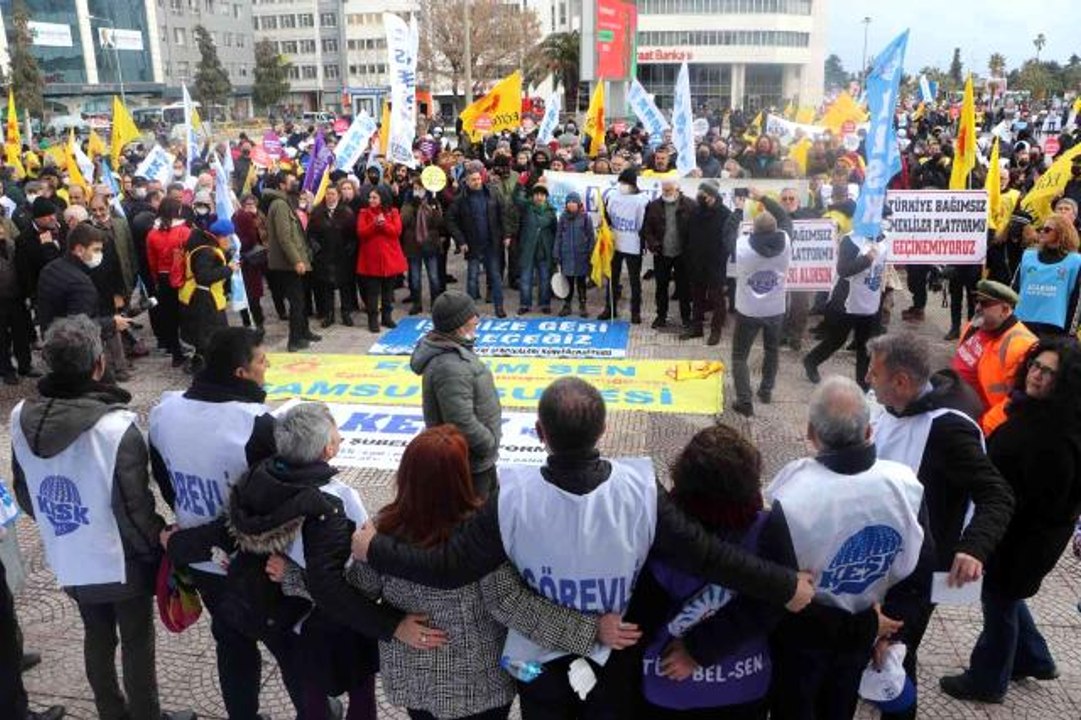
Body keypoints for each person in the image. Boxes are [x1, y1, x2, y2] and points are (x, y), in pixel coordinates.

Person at [352, 377, 815, 719]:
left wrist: (375, 550)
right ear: (604, 429)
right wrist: (784, 586)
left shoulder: (511, 495)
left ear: (539, 432)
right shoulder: (640, 489)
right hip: (616, 657)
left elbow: (450, 567)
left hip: (535, 665)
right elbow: (708, 557)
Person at [347, 425, 637, 720]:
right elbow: (512, 605)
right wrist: (591, 631)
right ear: (463, 476)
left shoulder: (380, 532)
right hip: (480, 685)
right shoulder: (483, 530)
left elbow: (355, 594)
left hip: (416, 682)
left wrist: (393, 625)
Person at [11, 315, 192, 720]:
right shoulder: (115, 428)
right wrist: (157, 544)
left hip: (69, 551)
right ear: (99, 363)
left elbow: (25, 492)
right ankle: (146, 715)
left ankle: (110, 711)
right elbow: (135, 508)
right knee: (137, 640)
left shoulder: (21, 417)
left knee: (96, 634)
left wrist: (61, 525)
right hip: (119, 558)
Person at [150, 326, 307, 719]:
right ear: (241, 373)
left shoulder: (164, 411)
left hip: (199, 555)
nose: (267, 366)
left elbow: (166, 483)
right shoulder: (256, 424)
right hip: (254, 562)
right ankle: (315, 710)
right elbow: (278, 504)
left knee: (231, 640)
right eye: (261, 361)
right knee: (287, 643)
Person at [228, 403, 413, 720]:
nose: (340, 437)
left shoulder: (259, 478)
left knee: (310, 692)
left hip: (287, 612)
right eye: (336, 432)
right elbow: (359, 562)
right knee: (360, 692)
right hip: (339, 615)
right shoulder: (337, 498)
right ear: (327, 448)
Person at [866, 332, 1015, 720]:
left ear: (901, 381)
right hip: (879, 553)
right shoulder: (892, 406)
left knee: (895, 654)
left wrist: (974, 546)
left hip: (918, 568)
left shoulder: (948, 429)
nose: (867, 379)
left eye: (874, 373)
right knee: (872, 646)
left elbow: (996, 493)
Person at [766, 376, 932, 720]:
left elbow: (773, 586)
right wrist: (889, 630)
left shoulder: (789, 494)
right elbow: (920, 572)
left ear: (811, 433)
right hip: (866, 633)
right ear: (869, 430)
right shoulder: (905, 485)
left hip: (802, 643)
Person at [940, 339, 1081, 703]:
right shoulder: (1040, 412)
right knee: (1008, 596)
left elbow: (1041, 498)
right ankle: (1034, 657)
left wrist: (988, 532)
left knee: (999, 599)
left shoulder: (1053, 434)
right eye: (1036, 366)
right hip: (1022, 532)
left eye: (1049, 373)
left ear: (1065, 382)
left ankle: (987, 680)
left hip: (1022, 538)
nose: (1037, 375)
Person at [627, 424, 797, 719]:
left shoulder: (658, 534)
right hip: (742, 684)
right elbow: (774, 604)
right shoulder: (768, 528)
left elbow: (638, 619)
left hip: (667, 685)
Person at [410, 290, 501, 498]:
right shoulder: (450, 366)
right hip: (469, 465)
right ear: (459, 325)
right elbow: (460, 421)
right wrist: (488, 443)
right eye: (472, 316)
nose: (477, 320)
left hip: (473, 461)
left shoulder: (455, 351)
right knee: (475, 515)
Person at [803, 219, 889, 390]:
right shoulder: (851, 240)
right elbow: (843, 270)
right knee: (836, 339)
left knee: (866, 346)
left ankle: (863, 387)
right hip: (846, 302)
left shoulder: (885, 238)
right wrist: (866, 260)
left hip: (871, 301)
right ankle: (811, 361)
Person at [951, 280, 1037, 435]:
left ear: (1004, 309)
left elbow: (1015, 401)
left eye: (985, 304)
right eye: (977, 301)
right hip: (957, 408)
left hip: (979, 425)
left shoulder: (1021, 346)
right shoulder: (975, 325)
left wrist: (982, 430)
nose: (977, 307)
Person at [730, 209, 791, 417]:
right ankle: (766, 390)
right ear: (775, 229)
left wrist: (738, 211)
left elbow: (727, 234)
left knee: (739, 356)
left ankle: (744, 400)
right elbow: (785, 218)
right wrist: (765, 200)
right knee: (772, 351)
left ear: (754, 230)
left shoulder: (742, 246)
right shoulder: (786, 241)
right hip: (775, 308)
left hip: (748, 309)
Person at [263, 172, 320, 351]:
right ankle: (295, 340)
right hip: (287, 264)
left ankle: (304, 331)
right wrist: (297, 261)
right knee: (297, 302)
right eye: (291, 181)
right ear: (281, 185)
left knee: (301, 299)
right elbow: (285, 237)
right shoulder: (280, 205)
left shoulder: (286, 201)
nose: (296, 183)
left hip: (293, 261)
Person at [446, 165, 508, 318]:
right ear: (467, 182)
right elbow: (450, 219)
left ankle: (499, 307)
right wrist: (460, 241)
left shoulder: (492, 193)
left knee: (495, 276)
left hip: (491, 243)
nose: (477, 182)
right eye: (473, 180)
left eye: (479, 179)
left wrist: (506, 235)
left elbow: (503, 214)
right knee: (472, 278)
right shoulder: (461, 199)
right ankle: (471, 311)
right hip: (472, 244)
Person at [178, 218, 238, 371]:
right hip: (203, 299)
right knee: (211, 335)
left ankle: (202, 364)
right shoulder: (206, 252)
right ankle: (206, 367)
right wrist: (229, 269)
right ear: (220, 236)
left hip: (204, 297)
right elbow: (203, 276)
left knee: (205, 335)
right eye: (228, 237)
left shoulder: (204, 246)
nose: (230, 241)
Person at [1013, 213, 1081, 337]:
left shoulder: (1076, 261)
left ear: (1061, 232)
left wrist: (1069, 334)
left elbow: (1076, 300)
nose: (1042, 232)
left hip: (1054, 330)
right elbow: (1014, 289)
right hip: (1022, 324)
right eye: (1041, 229)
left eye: (1047, 229)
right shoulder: (1028, 256)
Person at [641, 179, 694, 332]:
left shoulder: (690, 205)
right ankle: (661, 316)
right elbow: (647, 229)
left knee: (684, 288)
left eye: (669, 190)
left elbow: (696, 230)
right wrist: (653, 244)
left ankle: (686, 318)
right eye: (664, 190)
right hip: (662, 253)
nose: (666, 193)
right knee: (661, 287)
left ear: (677, 189)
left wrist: (691, 248)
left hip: (682, 254)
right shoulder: (654, 206)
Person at [145, 197, 192, 366]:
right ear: (177, 211)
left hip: (163, 277)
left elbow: (152, 261)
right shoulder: (184, 231)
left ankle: (176, 354)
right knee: (187, 313)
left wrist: (156, 278)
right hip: (183, 277)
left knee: (170, 316)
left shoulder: (152, 234)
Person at [684, 180, 731, 344]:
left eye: (703, 195)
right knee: (697, 297)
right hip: (697, 262)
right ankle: (696, 328)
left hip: (715, 264)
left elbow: (728, 241)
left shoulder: (725, 214)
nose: (700, 197)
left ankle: (715, 330)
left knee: (717, 299)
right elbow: (689, 234)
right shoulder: (696, 211)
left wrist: (720, 258)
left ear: (712, 196)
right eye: (699, 194)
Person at [600, 168, 649, 323]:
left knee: (634, 280)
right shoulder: (612, 196)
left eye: (625, 183)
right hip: (614, 242)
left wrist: (643, 241)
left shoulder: (642, 200)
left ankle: (635, 312)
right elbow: (606, 215)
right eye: (621, 182)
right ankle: (610, 308)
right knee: (612, 277)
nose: (622, 186)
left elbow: (644, 223)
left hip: (633, 243)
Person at [355, 184, 406, 332]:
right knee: (372, 292)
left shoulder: (393, 212)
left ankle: (386, 317)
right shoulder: (364, 213)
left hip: (390, 258)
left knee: (388, 292)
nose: (371, 200)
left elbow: (397, 231)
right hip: (371, 260)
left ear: (382, 198)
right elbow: (361, 232)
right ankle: (372, 320)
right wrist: (374, 224)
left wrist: (384, 225)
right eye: (370, 197)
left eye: (374, 198)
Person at [308, 183, 358, 328]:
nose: (330, 197)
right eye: (328, 194)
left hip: (342, 257)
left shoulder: (346, 212)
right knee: (326, 287)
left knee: (345, 286)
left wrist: (349, 250)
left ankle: (346, 313)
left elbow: (353, 235)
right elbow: (311, 234)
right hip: (324, 256)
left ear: (338, 195)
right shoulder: (318, 212)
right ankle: (329, 314)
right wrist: (317, 249)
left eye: (333, 194)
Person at [399, 177, 445, 315]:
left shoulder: (432, 202)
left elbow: (438, 222)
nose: (418, 191)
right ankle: (416, 303)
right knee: (415, 277)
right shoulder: (408, 202)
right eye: (415, 188)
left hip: (430, 244)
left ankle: (435, 302)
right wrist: (412, 206)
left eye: (420, 188)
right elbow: (403, 221)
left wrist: (434, 207)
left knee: (434, 277)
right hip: (413, 245)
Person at [0, 221, 37, 385]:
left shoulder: (13, 246)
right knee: (2, 338)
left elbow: (23, 269)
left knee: (21, 334)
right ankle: (6, 370)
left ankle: (25, 365)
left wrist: (27, 293)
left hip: (17, 297)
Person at [513, 179, 557, 314]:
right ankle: (525, 304)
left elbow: (555, 232)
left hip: (544, 251)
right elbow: (516, 198)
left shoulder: (551, 212)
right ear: (532, 196)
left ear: (546, 197)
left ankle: (544, 304)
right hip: (528, 250)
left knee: (544, 279)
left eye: (542, 194)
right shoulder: (527, 207)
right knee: (525, 278)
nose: (539, 197)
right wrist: (520, 184)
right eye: (536, 194)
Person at [554, 191, 595, 318]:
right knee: (568, 282)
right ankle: (567, 305)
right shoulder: (563, 218)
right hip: (567, 256)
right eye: (569, 202)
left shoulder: (585, 218)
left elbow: (591, 236)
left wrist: (590, 252)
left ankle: (582, 304)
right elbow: (558, 236)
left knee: (581, 282)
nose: (571, 204)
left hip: (581, 256)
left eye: (574, 202)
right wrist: (556, 252)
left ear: (578, 204)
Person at [232, 193, 268, 329]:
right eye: (248, 204)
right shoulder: (243, 217)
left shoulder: (240, 216)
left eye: (252, 204)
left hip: (244, 260)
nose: (251, 206)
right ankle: (257, 324)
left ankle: (249, 323)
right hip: (248, 261)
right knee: (251, 296)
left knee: (245, 294)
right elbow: (251, 239)